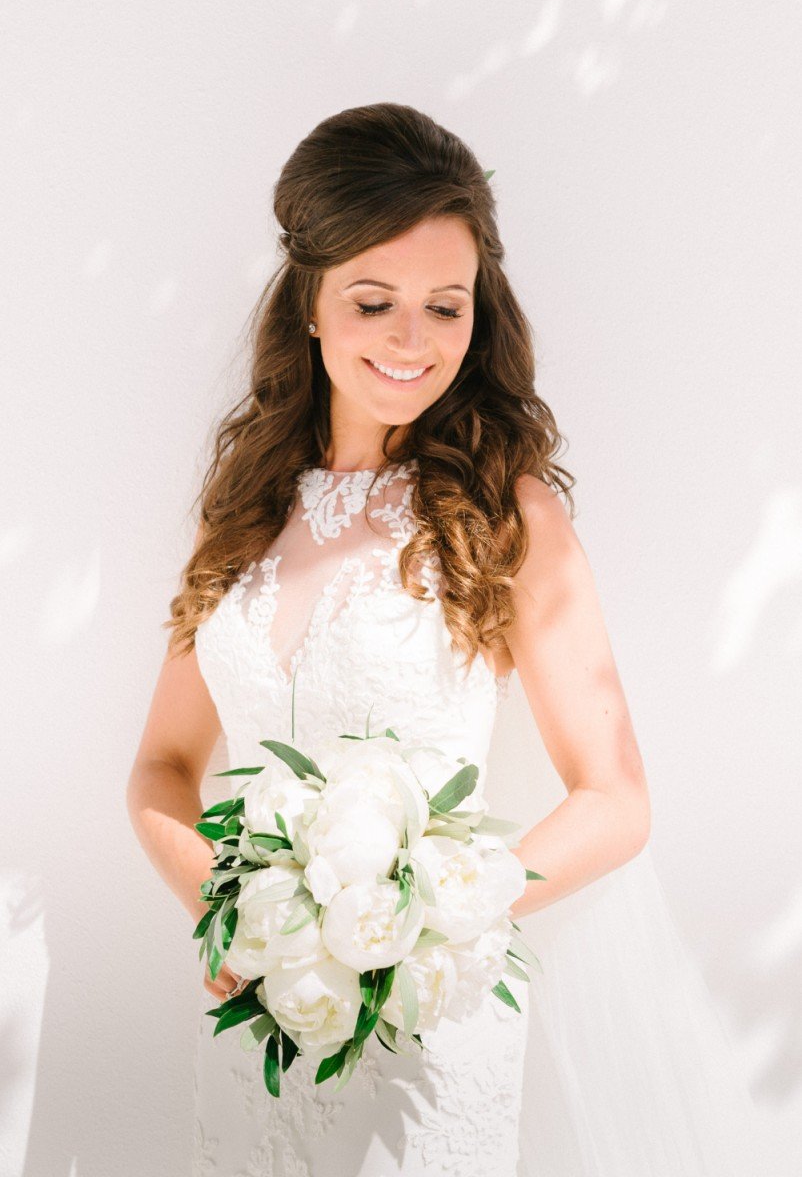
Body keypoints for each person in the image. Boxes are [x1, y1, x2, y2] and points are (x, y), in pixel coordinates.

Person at [127, 102, 769, 1176]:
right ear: (311, 304)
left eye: (445, 306)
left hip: (428, 1022)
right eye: (373, 301)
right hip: (263, 1017)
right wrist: (233, 915)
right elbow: (161, 766)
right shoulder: (238, 512)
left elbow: (615, 797)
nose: (412, 341)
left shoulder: (508, 515)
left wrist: (426, 915)